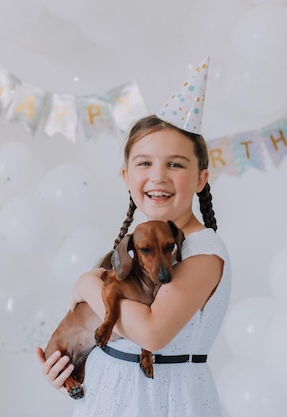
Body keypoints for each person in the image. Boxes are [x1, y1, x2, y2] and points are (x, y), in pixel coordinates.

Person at [36, 57, 232, 417]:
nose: (158, 176)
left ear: (202, 178)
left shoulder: (203, 253)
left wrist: (86, 284)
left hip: (165, 401)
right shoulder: (130, 250)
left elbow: (152, 333)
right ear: (126, 177)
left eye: (175, 164)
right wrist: (69, 372)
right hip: (107, 398)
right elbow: (99, 334)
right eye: (145, 163)